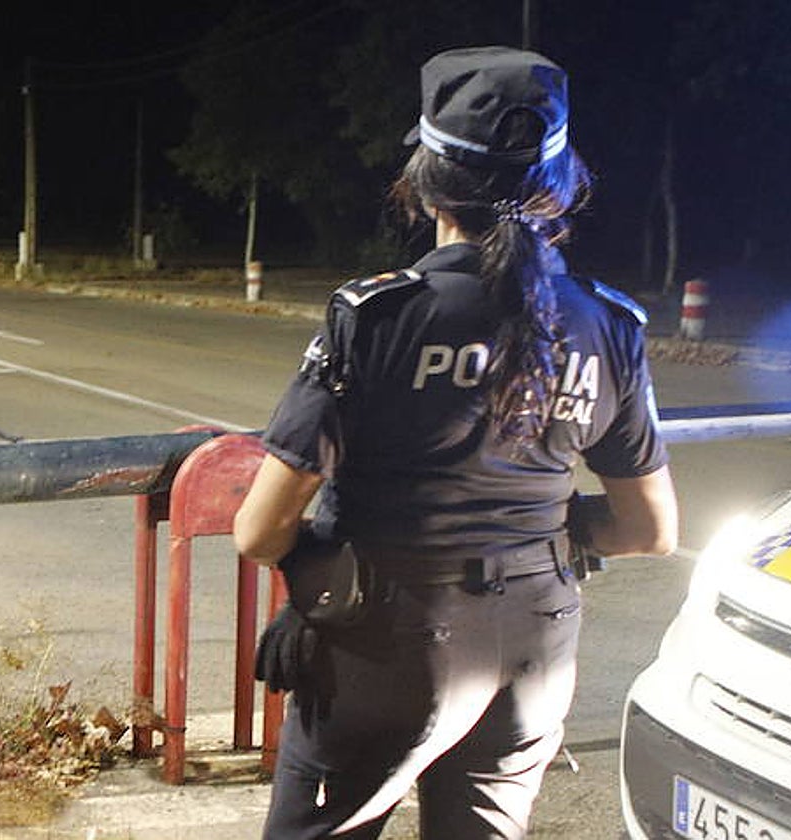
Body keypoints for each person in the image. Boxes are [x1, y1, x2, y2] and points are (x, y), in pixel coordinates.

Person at [234, 45, 678, 840]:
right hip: (536, 648)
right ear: (558, 184)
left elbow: (260, 530)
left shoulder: (377, 316)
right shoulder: (608, 325)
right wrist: (549, 534)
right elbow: (650, 529)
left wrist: (316, 578)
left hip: (385, 644)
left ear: (427, 180)